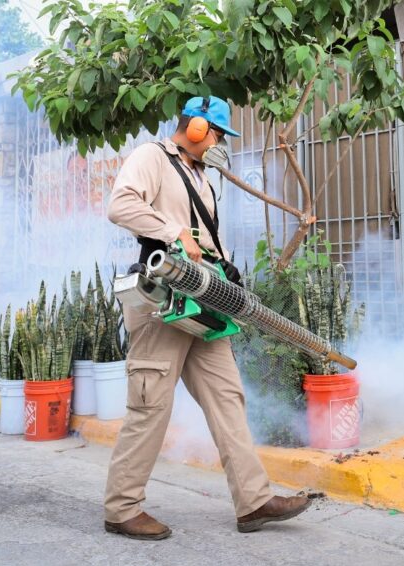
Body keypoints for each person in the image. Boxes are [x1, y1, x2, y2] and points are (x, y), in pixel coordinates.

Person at [103, 95, 310, 540]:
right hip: (163, 304)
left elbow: (202, 241)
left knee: (228, 398)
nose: (220, 144)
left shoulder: (202, 177)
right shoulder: (152, 157)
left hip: (203, 302)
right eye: (216, 134)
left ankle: (253, 502)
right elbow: (120, 205)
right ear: (196, 128)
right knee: (150, 405)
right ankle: (122, 508)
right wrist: (171, 231)